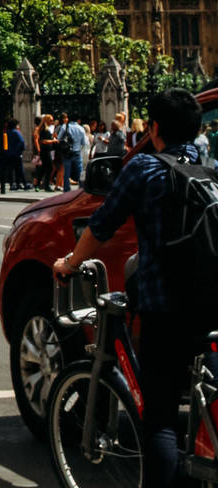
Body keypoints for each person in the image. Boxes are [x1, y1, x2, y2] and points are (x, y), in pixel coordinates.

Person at [53, 89, 209, 488]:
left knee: (159, 419)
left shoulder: (143, 167)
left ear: (154, 128)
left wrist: (70, 264)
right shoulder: (209, 168)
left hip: (164, 306)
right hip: (211, 304)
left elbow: (101, 227)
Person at [58, 112, 87, 190]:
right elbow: (83, 143)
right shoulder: (81, 129)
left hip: (67, 152)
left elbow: (59, 138)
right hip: (77, 152)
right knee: (80, 171)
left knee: (67, 171)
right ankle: (81, 188)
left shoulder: (65, 127)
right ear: (78, 120)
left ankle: (66, 189)